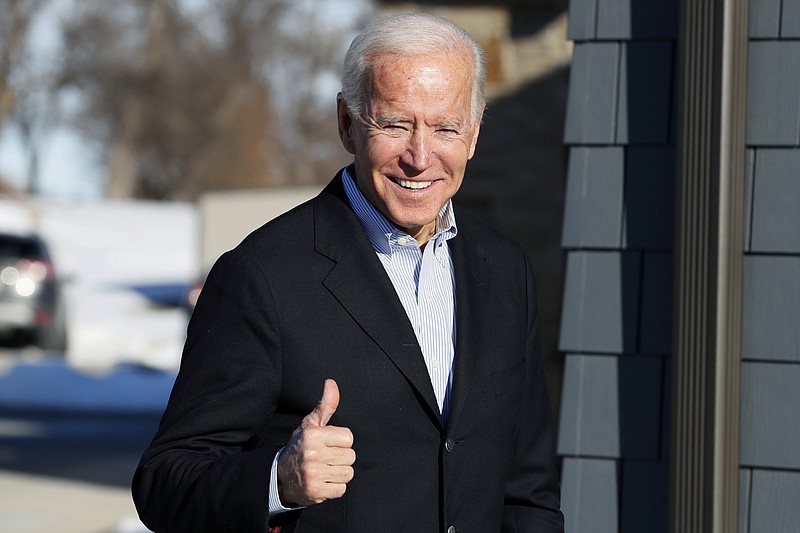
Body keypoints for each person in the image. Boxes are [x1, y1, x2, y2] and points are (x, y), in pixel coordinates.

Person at [132, 12, 564, 533]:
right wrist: (279, 480)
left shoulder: (504, 270)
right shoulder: (262, 276)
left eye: (445, 127)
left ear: (473, 133)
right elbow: (165, 483)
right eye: (395, 124)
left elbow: (528, 488)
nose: (420, 156)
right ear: (347, 124)